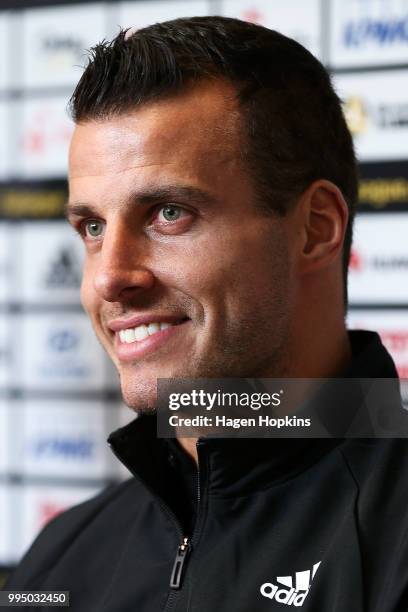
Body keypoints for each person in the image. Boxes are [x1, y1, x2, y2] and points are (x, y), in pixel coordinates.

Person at [3, 16, 408, 612]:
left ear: (315, 229)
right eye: (92, 226)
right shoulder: (62, 558)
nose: (111, 277)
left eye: (168, 214)